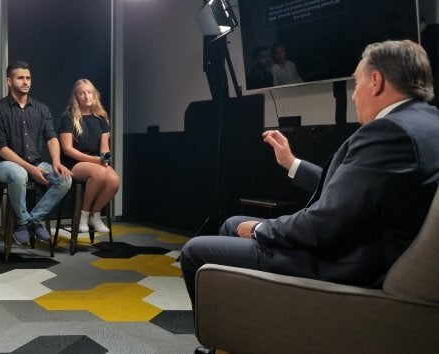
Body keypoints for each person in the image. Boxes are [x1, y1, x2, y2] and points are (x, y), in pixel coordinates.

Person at [181, 39, 439, 315]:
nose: (353, 95)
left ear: (375, 81)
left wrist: (260, 229)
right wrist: (292, 163)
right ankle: (246, 317)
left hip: (341, 262)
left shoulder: (390, 132)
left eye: (356, 82)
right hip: (360, 246)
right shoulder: (426, 122)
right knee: (234, 223)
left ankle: (232, 329)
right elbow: (354, 194)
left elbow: (323, 224)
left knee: (196, 251)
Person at [0, 61, 72, 244]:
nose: (26, 82)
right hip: (6, 165)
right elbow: (1, 148)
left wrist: (56, 161)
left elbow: (51, 138)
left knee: (65, 179)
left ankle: (32, 221)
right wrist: (30, 169)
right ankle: (21, 223)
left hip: (36, 162)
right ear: (9, 81)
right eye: (20, 78)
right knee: (19, 174)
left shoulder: (41, 109)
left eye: (28, 78)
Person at [58, 79, 119, 232]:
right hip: (74, 163)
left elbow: (104, 148)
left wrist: (105, 159)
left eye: (89, 92)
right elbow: (67, 149)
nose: (86, 96)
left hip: (96, 161)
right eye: (82, 93)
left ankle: (94, 215)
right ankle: (83, 216)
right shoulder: (68, 117)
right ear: (76, 97)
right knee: (99, 174)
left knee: (114, 180)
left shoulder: (101, 118)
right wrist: (96, 161)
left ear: (94, 95)